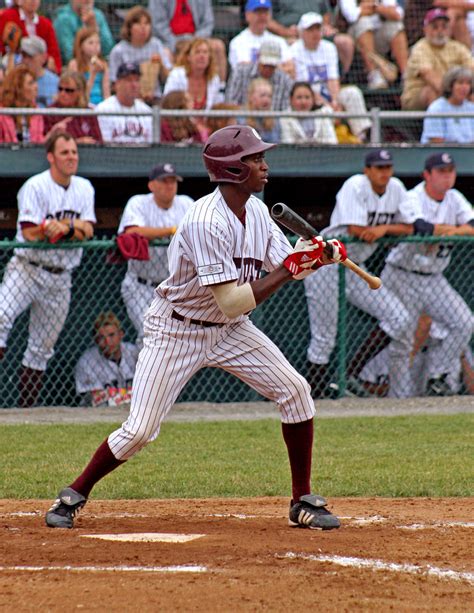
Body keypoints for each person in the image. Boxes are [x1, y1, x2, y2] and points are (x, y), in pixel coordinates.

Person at [44, 123, 347, 531]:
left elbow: (284, 267)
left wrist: (315, 257)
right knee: (139, 430)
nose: (264, 165)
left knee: (295, 391)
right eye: (255, 159)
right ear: (232, 169)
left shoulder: (256, 211)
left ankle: (302, 500)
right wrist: (293, 269)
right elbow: (234, 297)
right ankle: (74, 493)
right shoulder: (205, 220)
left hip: (229, 330)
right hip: (177, 329)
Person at [305, 149, 417, 399]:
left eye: (387, 167)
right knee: (324, 337)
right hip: (326, 262)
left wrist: (383, 228)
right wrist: (381, 231)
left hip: (355, 265)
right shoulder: (355, 185)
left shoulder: (396, 187)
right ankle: (313, 395)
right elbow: (356, 229)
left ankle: (349, 373)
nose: (384, 173)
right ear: (367, 170)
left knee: (399, 318)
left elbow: (410, 226)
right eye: (378, 168)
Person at [0, 132, 95, 407]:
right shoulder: (35, 186)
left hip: (61, 277)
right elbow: (29, 231)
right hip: (28, 269)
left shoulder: (84, 187)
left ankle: (25, 411)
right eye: (65, 152)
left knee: (42, 347)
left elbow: (88, 228)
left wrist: (63, 229)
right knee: (2, 316)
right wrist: (49, 230)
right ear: (51, 157)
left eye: (74, 152)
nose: (72, 157)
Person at [380, 152, 474, 396]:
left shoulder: (454, 198)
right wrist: (453, 230)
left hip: (434, 278)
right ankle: (396, 398)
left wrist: (448, 233)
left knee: (464, 322)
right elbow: (423, 228)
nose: (447, 176)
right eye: (441, 172)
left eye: (450, 171)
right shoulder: (412, 197)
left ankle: (438, 375)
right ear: (427, 175)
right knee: (404, 337)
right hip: (402, 274)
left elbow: (472, 226)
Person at [118, 162, 194, 342]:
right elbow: (132, 232)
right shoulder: (138, 202)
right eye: (164, 181)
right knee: (150, 336)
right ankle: (141, 371)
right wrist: (170, 231)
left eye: (173, 181)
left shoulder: (186, 203)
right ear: (151, 185)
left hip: (175, 288)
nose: (169, 185)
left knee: (178, 341)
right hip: (142, 286)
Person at [290, 12, 371, 143]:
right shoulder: (295, 49)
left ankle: (362, 138)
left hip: (329, 93)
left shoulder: (329, 47)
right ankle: (332, 145)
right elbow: (304, 87)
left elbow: (333, 78)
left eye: (318, 29)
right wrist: (330, 106)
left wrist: (335, 102)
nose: (315, 33)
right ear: (302, 32)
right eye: (310, 30)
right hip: (310, 98)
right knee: (325, 110)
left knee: (353, 93)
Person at [401, 8, 474, 110]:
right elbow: (431, 77)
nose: (440, 31)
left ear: (449, 29)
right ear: (425, 29)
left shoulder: (457, 47)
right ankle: (439, 125)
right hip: (417, 97)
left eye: (444, 27)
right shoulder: (420, 48)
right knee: (432, 92)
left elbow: (471, 69)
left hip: (453, 92)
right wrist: (454, 95)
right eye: (435, 27)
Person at [266, 0, 355, 75]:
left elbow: (326, 13)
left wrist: (325, 26)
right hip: (289, 34)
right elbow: (267, 20)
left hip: (316, 31)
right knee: (292, 45)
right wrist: (285, 31)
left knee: (345, 42)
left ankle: (337, 80)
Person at [148, 0, 227, 82]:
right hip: (169, 41)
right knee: (165, 53)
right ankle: (171, 90)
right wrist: (175, 43)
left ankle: (220, 89)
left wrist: (193, 42)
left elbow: (208, 23)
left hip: (197, 39)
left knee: (218, 46)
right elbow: (158, 25)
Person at [109, 6, 173, 105]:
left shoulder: (156, 45)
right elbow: (113, 83)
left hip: (154, 99)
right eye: (138, 23)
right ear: (129, 27)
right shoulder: (118, 51)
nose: (143, 27)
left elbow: (168, 78)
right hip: (128, 101)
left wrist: (160, 64)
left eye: (146, 23)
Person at [339, 0, 408, 90]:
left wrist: (375, 7)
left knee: (395, 25)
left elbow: (397, 14)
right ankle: (374, 75)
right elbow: (352, 15)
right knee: (364, 22)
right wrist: (382, 10)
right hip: (355, 39)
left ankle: (406, 75)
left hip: (379, 38)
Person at [75, 312, 138, 407]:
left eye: (111, 335)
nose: (107, 342)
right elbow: (94, 400)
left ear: (121, 334)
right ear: (95, 340)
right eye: (101, 338)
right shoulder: (86, 362)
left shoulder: (134, 353)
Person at [228, 0, 293, 76]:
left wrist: (260, 67)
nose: (262, 16)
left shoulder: (279, 41)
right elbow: (242, 70)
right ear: (247, 15)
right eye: (258, 12)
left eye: (265, 12)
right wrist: (277, 67)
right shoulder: (238, 42)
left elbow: (291, 69)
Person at [225, 38, 294, 110]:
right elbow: (230, 102)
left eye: (272, 66)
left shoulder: (285, 80)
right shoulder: (240, 72)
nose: (268, 69)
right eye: (265, 65)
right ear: (258, 57)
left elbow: (286, 109)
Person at [95, 61, 153, 144]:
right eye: (129, 80)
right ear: (117, 84)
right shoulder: (103, 109)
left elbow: (152, 145)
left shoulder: (147, 111)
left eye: (137, 80)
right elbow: (103, 144)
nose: (134, 85)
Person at [42, 69, 102, 144]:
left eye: (68, 90)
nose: (62, 93)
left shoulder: (88, 113)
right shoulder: (50, 112)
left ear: (80, 92)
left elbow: (98, 142)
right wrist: (78, 142)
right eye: (60, 89)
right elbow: (48, 145)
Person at [0, 0, 62, 73]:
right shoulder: (7, 17)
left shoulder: (46, 24)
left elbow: (55, 54)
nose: (33, 1)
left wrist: (49, 62)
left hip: (41, 68)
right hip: (14, 68)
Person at [163, 37, 224, 111]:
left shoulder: (214, 78)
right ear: (188, 57)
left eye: (205, 52)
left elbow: (216, 106)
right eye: (197, 52)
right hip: (179, 120)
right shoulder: (176, 75)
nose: (202, 56)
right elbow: (168, 103)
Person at [421, 66, 474, 144]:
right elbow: (436, 142)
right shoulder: (436, 109)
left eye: (468, 83)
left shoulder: (471, 108)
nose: (464, 87)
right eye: (460, 83)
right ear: (450, 86)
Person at [53, 0, 114, 65]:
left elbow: (108, 50)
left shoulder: (97, 15)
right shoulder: (63, 18)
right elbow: (69, 55)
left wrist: (95, 28)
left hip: (98, 66)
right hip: (73, 70)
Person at [0, 64, 43, 143]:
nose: (36, 87)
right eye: (31, 83)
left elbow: (39, 143)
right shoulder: (2, 113)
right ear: (18, 88)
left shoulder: (36, 113)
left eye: (35, 82)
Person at [68, 26, 110, 105]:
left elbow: (106, 93)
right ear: (81, 46)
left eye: (98, 42)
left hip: (100, 105)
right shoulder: (74, 64)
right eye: (90, 43)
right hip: (83, 104)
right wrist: (93, 74)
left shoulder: (103, 65)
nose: (95, 46)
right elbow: (81, 95)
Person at [19, 35, 59, 108]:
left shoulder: (56, 83)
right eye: (24, 56)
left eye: (30, 56)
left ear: (43, 57)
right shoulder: (15, 81)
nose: (26, 61)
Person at [243, 77, 281, 142]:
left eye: (269, 96)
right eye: (262, 95)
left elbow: (276, 144)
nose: (266, 100)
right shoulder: (240, 118)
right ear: (251, 97)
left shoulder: (275, 120)